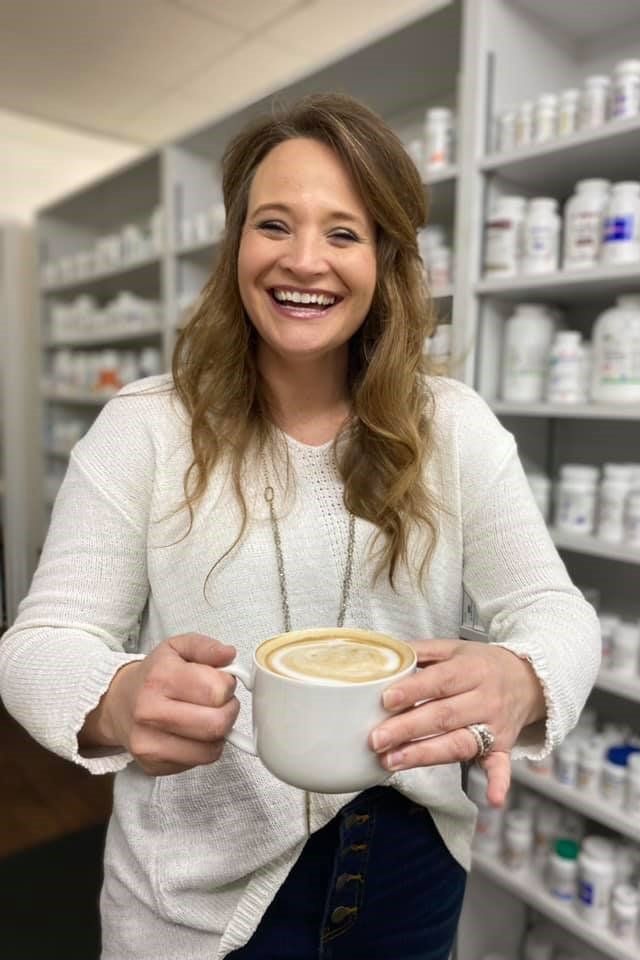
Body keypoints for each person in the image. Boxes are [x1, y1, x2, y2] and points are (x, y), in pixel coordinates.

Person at [0, 93, 600, 960]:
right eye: (274, 224)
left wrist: (523, 678)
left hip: (411, 873)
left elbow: (556, 609)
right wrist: (115, 700)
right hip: (194, 897)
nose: (305, 261)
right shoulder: (146, 427)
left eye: (345, 233)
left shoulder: (454, 425)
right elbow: (42, 639)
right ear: (236, 244)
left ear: (388, 257)